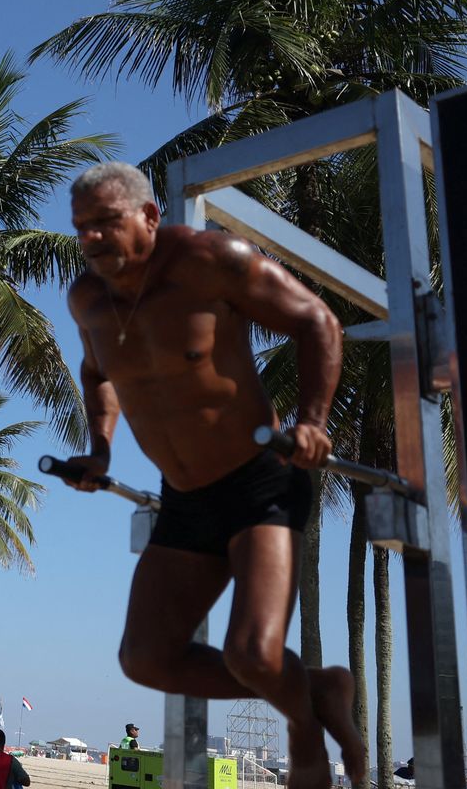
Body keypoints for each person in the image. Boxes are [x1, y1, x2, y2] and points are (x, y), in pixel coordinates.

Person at [58, 161, 360, 789]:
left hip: (261, 482)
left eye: (106, 223)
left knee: (253, 654)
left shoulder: (209, 261)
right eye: (81, 228)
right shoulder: (88, 297)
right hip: (185, 497)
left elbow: (318, 322)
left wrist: (312, 420)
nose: (91, 240)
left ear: (147, 216)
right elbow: (97, 374)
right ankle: (318, 688)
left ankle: (304, 726)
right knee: (145, 658)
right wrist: (101, 450)